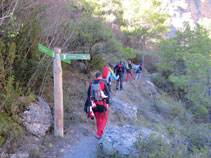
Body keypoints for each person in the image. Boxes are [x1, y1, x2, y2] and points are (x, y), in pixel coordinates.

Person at [86, 72, 110, 139]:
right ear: (101, 76)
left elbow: (88, 94)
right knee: (104, 118)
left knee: (98, 118)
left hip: (94, 104)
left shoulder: (91, 83)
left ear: (96, 77)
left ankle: (100, 133)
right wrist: (107, 103)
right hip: (102, 103)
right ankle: (99, 133)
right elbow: (108, 94)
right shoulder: (103, 82)